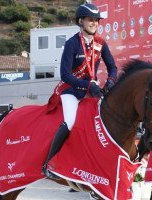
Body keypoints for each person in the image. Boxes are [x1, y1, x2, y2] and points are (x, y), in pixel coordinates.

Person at [43, 3, 117, 179]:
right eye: (90, 20)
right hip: (71, 91)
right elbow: (65, 75)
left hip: (92, 91)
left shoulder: (101, 43)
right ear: (80, 21)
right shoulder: (72, 44)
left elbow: (112, 66)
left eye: (96, 21)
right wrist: (87, 85)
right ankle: (49, 164)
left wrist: (111, 81)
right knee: (69, 122)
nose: (94, 23)